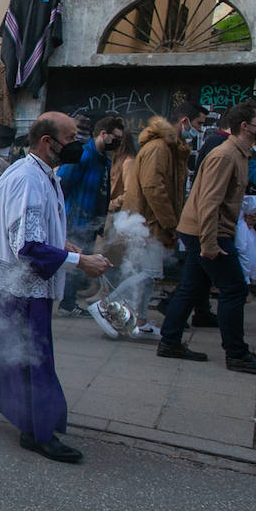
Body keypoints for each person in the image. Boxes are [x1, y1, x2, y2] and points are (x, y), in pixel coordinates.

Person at [0, 113, 111, 464]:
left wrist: (65, 245)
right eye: (72, 137)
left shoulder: (35, 172)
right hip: (17, 287)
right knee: (32, 358)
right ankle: (37, 431)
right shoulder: (29, 178)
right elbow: (27, 246)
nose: (78, 144)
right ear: (48, 142)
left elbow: (34, 232)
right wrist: (81, 263)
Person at [156, 104, 256, 373]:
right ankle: (237, 354)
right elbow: (208, 202)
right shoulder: (225, 155)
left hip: (205, 230)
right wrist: (210, 244)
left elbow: (223, 199)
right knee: (235, 289)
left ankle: (170, 341)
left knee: (191, 286)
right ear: (245, 126)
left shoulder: (238, 154)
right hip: (207, 232)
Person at [108, 106, 197, 340]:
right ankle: (110, 306)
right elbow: (153, 188)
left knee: (145, 274)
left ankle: (139, 319)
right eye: (197, 124)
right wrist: (170, 222)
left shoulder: (166, 149)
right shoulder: (159, 149)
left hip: (148, 221)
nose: (197, 131)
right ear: (185, 121)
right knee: (148, 273)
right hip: (149, 223)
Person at [55, 116, 123, 318]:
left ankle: (68, 302)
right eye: (115, 137)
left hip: (89, 222)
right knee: (71, 263)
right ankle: (66, 303)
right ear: (103, 134)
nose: (118, 142)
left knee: (76, 264)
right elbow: (62, 185)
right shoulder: (83, 155)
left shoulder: (103, 160)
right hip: (75, 219)